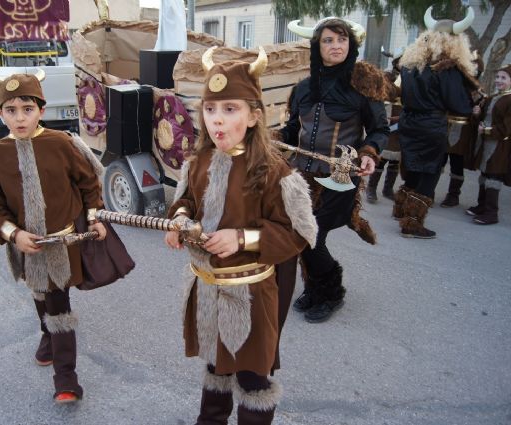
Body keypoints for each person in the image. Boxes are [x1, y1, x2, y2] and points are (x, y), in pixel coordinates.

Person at [164, 46, 317, 424]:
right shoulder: (197, 162)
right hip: (208, 289)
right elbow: (184, 200)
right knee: (216, 367)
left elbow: (297, 233)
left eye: (230, 109)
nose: (217, 120)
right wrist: (180, 220)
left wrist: (242, 239)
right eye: (211, 109)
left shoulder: (273, 171)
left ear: (254, 116)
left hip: (251, 295)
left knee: (252, 377)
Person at [0, 72, 108, 404]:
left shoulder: (61, 144)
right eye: (10, 110)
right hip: (24, 246)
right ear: (1, 111)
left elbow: (89, 182)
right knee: (39, 294)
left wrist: (95, 216)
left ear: (41, 109)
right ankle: (46, 335)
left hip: (62, 246)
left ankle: (66, 378)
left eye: (26, 108)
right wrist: (14, 234)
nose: (19, 118)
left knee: (58, 303)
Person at [278, 18, 390, 323]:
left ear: (350, 45)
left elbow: (380, 129)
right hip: (301, 178)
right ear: (318, 47)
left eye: (341, 40)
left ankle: (332, 292)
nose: (336, 46)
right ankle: (315, 289)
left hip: (340, 178)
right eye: (328, 40)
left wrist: (369, 152)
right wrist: (273, 138)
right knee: (301, 236)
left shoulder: (361, 86)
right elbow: (291, 129)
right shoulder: (303, 88)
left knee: (312, 237)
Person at [394, 6, 478, 238]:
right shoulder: (445, 69)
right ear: (454, 42)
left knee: (412, 167)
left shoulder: (410, 65)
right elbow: (459, 105)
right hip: (431, 125)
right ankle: (412, 224)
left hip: (408, 122)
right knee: (429, 173)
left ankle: (401, 209)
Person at [439, 51, 485, 208]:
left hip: (463, 130)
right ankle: (428, 191)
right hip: (445, 126)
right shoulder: (453, 84)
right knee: (438, 161)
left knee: (457, 163)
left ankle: (453, 196)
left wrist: (477, 113)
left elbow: (481, 115)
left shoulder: (477, 92)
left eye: (474, 68)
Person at [466, 64, 511, 224]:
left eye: (503, 78)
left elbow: (507, 128)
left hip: (500, 146)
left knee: (493, 176)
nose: (499, 80)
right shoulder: (493, 97)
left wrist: (487, 131)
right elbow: (484, 119)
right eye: (498, 77)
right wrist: (477, 114)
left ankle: (492, 213)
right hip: (486, 144)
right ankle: (482, 206)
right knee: (484, 174)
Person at [366, 47, 403, 203]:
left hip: (402, 119)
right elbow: (387, 95)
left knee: (395, 159)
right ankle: (371, 189)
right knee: (382, 157)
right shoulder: (386, 76)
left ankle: (388, 189)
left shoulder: (410, 77)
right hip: (387, 119)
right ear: (396, 62)